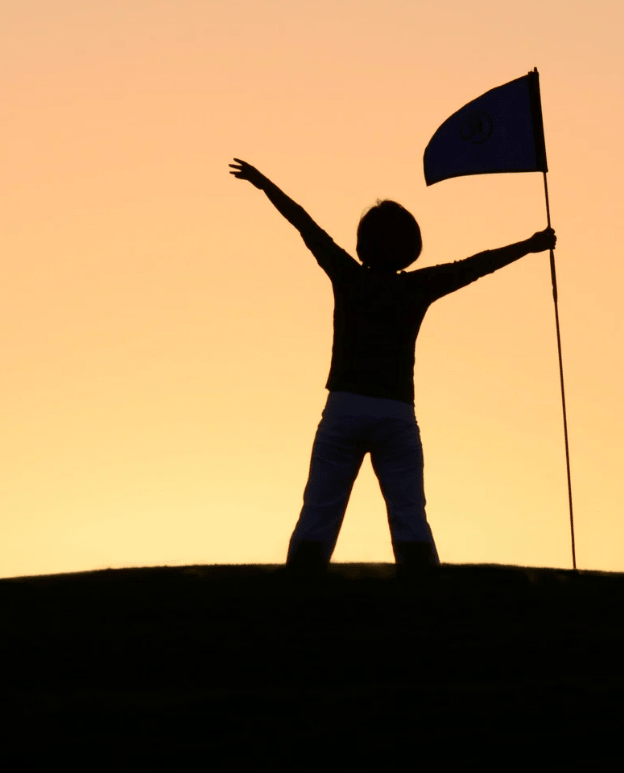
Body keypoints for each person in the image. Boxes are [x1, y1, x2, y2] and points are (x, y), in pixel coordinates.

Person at [229, 158, 556, 575]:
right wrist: (529, 245)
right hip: (396, 414)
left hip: (344, 408)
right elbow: (476, 265)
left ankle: (299, 597)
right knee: (409, 514)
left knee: (320, 511)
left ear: (364, 244)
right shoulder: (416, 287)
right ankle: (423, 602)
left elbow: (305, 225)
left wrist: (263, 183)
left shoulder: (349, 276)